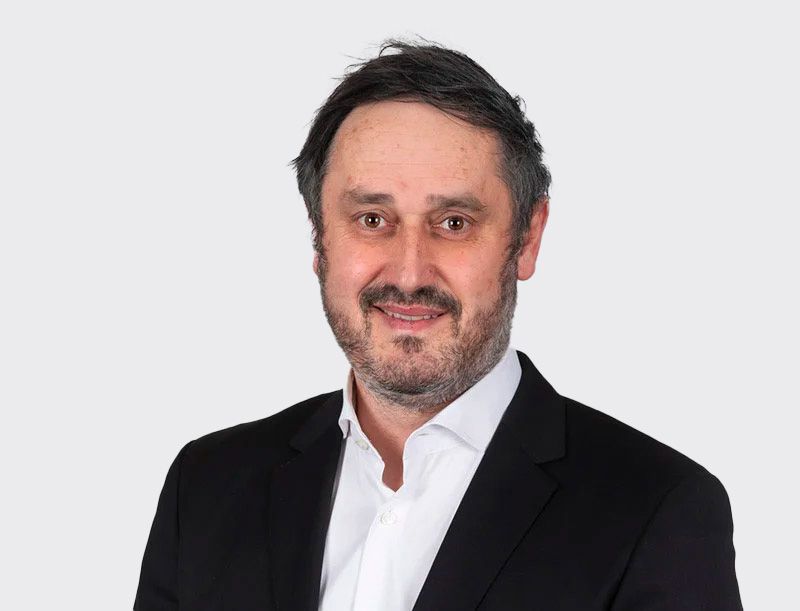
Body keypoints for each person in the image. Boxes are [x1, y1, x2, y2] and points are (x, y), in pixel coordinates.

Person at [134, 40, 743, 610]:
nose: (408, 273)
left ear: (528, 238)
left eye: (454, 222)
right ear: (319, 238)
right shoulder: (206, 487)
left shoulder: (658, 511)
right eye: (372, 219)